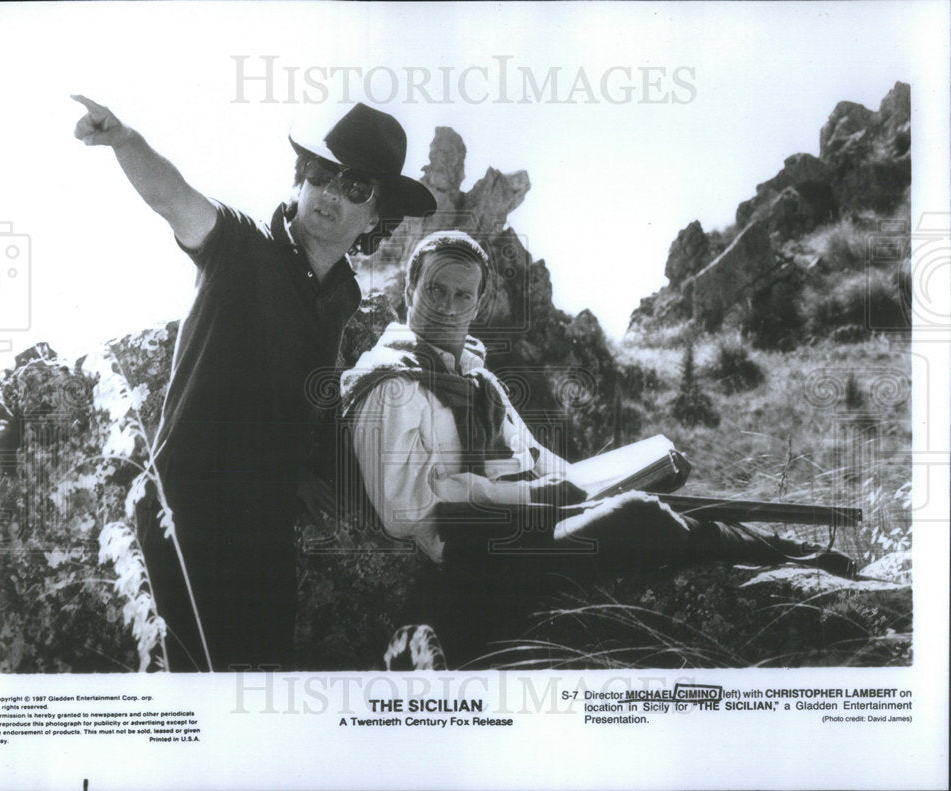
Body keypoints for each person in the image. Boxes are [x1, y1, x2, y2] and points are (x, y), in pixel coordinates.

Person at [340, 230, 857, 666]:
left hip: (526, 528)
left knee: (658, 494)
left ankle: (804, 556)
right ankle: (801, 556)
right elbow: (402, 511)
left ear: (478, 303)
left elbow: (538, 460)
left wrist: (601, 480)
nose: (449, 308)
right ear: (408, 288)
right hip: (473, 563)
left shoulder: (477, 381)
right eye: (436, 291)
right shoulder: (392, 383)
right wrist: (536, 496)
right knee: (639, 515)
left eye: (463, 296)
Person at [72, 96, 435, 671]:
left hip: (264, 538)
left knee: (259, 707)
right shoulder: (242, 247)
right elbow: (176, 199)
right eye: (320, 174)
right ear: (300, 181)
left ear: (376, 218)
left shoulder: (343, 297)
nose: (330, 194)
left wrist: (308, 469)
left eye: (356, 187)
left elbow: (301, 393)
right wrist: (125, 141)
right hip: (186, 521)